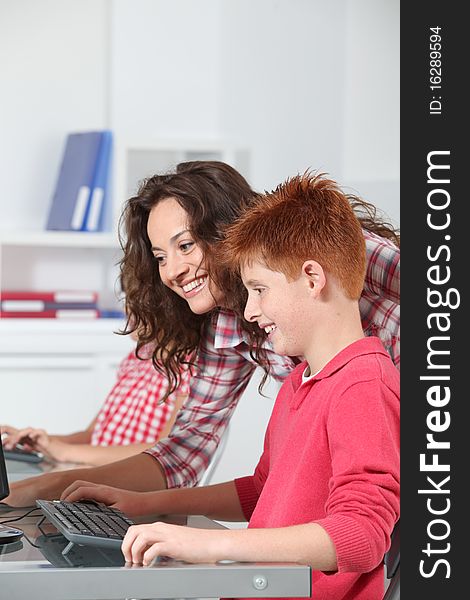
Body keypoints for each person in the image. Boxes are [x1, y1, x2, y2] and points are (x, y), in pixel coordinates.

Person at [62, 172, 400, 600]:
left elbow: (363, 534)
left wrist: (211, 545)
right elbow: (262, 488)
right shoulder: (299, 382)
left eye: (258, 289)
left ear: (314, 279)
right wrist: (143, 505)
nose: (250, 312)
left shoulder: (364, 383)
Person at [4, 161, 399, 507]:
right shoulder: (231, 325)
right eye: (160, 257)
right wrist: (50, 485)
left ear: (225, 231)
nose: (172, 270)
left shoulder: (341, 252)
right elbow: (183, 453)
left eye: (186, 245)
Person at [1, 341, 189, 467]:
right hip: (94, 469)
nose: (128, 311)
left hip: (128, 478)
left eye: (134, 302)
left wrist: (65, 451)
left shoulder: (187, 364)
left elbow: (163, 450)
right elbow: (92, 434)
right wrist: (44, 442)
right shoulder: (138, 357)